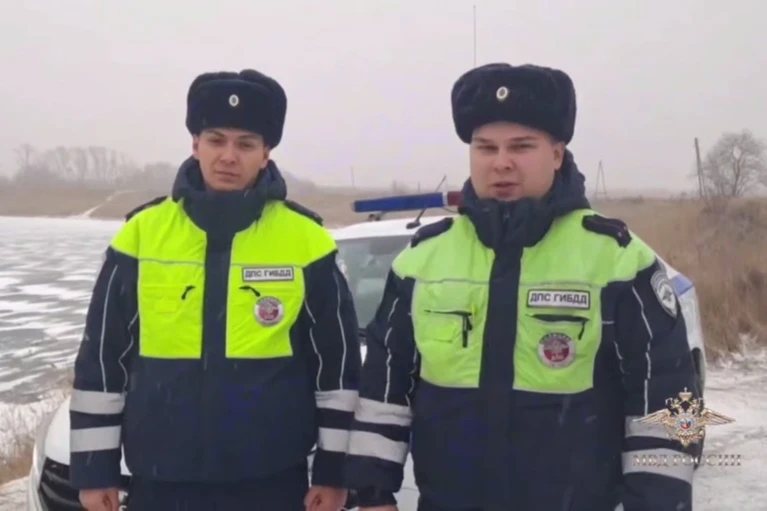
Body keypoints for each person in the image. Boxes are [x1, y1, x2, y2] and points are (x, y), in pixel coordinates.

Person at [343, 62, 700, 511]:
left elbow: (669, 404)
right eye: (485, 147)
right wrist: (373, 494)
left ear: (557, 153)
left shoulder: (620, 261)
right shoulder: (421, 261)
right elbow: (383, 394)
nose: (501, 162)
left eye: (521, 146)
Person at [68, 68, 361, 511]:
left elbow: (336, 369)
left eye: (245, 144)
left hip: (272, 482)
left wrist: (334, 472)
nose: (228, 156)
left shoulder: (308, 241)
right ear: (195, 144)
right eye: (216, 140)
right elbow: (102, 363)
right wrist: (95, 471)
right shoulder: (141, 236)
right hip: (161, 481)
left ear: (266, 153)